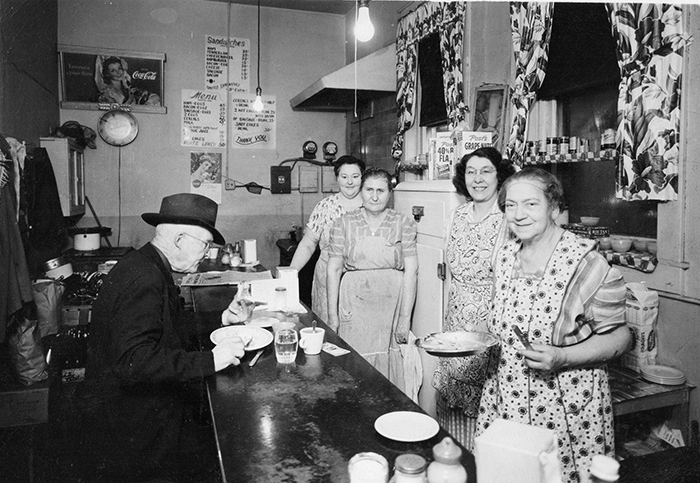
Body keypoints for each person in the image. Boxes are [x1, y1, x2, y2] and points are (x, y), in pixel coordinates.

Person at [78, 193, 252, 482]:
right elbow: (132, 360)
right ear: (180, 240)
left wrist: (222, 319)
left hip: (126, 411)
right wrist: (211, 360)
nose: (207, 253)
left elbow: (167, 327)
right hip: (132, 427)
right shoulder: (146, 278)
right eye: (205, 244)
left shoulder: (145, 264)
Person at [475, 168, 631, 483]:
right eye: (510, 205)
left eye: (531, 204)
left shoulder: (586, 263)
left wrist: (562, 357)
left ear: (554, 208)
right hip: (507, 398)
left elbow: (621, 336)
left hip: (567, 409)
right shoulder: (505, 256)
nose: (518, 215)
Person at [431, 147, 515, 450]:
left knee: (486, 406)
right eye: (471, 172)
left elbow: (509, 279)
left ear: (499, 176)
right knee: (451, 401)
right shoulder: (456, 215)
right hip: (455, 320)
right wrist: (445, 322)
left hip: (489, 323)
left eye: (485, 171)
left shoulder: (508, 218)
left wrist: (488, 327)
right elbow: (450, 274)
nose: (477, 179)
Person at [326, 168, 418, 390]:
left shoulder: (402, 223)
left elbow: (412, 270)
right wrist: (333, 315)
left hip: (391, 308)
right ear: (361, 191)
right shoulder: (343, 223)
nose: (375, 197)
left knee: (390, 373)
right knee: (355, 367)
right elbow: (333, 270)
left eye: (381, 190)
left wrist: (405, 319)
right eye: (369, 190)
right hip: (354, 306)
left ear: (390, 193)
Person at [290, 155, 365, 322]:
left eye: (355, 176)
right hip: (327, 278)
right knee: (329, 330)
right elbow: (308, 244)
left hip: (361, 280)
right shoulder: (325, 206)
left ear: (362, 177)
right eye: (344, 177)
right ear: (337, 178)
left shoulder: (371, 205)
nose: (350, 182)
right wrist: (291, 271)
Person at [96, 55, 161, 106]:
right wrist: (130, 100)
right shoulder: (106, 93)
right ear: (107, 74)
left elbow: (155, 97)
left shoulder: (128, 88)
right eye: (113, 71)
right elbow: (113, 114)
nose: (118, 72)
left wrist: (147, 104)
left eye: (119, 68)